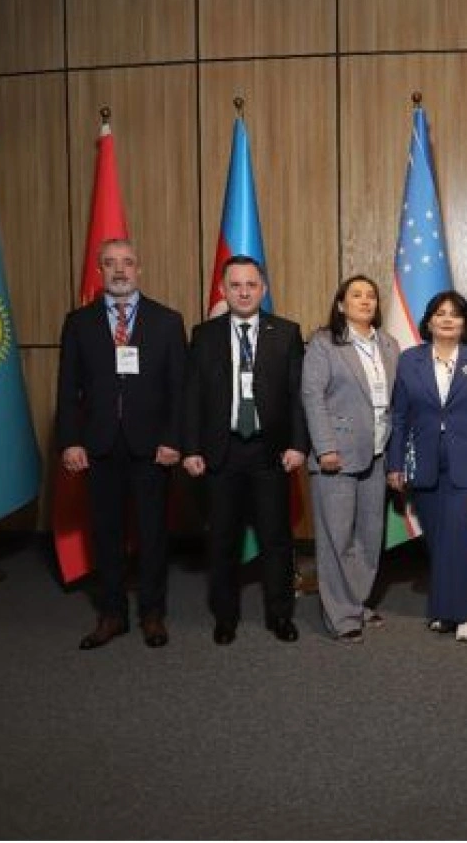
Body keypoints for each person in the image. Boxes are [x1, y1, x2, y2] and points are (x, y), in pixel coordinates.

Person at [55, 238, 187, 650]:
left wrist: (173, 439)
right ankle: (112, 614)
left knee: (152, 535)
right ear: (99, 271)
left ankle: (152, 614)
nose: (119, 270)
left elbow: (179, 390)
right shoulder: (79, 322)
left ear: (139, 269)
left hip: (152, 448)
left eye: (127, 262)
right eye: (110, 263)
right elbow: (67, 390)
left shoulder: (167, 321)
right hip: (99, 445)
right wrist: (70, 441)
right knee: (106, 534)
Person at [182, 256, 309, 646]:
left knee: (276, 539)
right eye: (235, 285)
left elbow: (297, 397)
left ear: (263, 289)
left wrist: (298, 445)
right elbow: (192, 395)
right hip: (221, 452)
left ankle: (280, 614)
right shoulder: (204, 335)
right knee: (223, 539)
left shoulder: (286, 332)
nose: (243, 292)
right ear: (223, 290)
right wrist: (191, 447)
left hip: (270, 452)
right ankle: (225, 617)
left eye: (251, 285)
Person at [386, 291, 467, 643]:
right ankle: (444, 609)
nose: (447, 319)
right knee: (439, 538)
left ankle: (465, 611)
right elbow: (399, 417)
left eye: (454, 314)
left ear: (464, 323)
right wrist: (395, 463)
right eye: (440, 313)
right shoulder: (410, 360)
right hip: (423, 461)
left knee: (458, 531)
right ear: (429, 321)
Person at [303, 275, 400, 645]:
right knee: (337, 539)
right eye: (356, 295)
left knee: (369, 537)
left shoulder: (388, 345)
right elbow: (312, 396)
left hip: (377, 453)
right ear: (341, 305)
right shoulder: (324, 343)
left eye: (371, 295)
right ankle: (340, 616)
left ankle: (356, 602)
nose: (365, 300)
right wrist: (325, 447)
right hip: (337, 457)